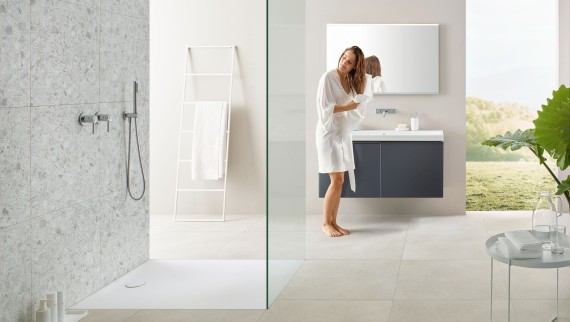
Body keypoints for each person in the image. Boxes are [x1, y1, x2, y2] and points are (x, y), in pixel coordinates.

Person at [316, 46, 373, 237]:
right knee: (336, 179)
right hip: (328, 132)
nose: (344, 62)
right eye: (343, 57)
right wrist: (348, 106)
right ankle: (325, 223)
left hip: (340, 134)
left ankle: (334, 222)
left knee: (340, 180)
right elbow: (324, 109)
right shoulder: (328, 78)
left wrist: (355, 104)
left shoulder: (349, 80)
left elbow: (354, 106)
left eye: (349, 61)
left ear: (355, 66)